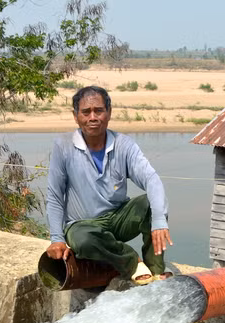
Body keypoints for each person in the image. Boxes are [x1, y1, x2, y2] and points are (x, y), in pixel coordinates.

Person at [45, 85, 172, 284]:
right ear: (76, 116)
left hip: (117, 218)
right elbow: (54, 196)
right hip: (83, 225)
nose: (92, 117)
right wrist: (57, 239)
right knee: (83, 240)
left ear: (109, 113)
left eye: (99, 111)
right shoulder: (63, 146)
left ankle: (156, 269)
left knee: (150, 204)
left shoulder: (124, 144)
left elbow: (151, 179)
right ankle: (132, 262)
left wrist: (159, 221)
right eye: (86, 112)